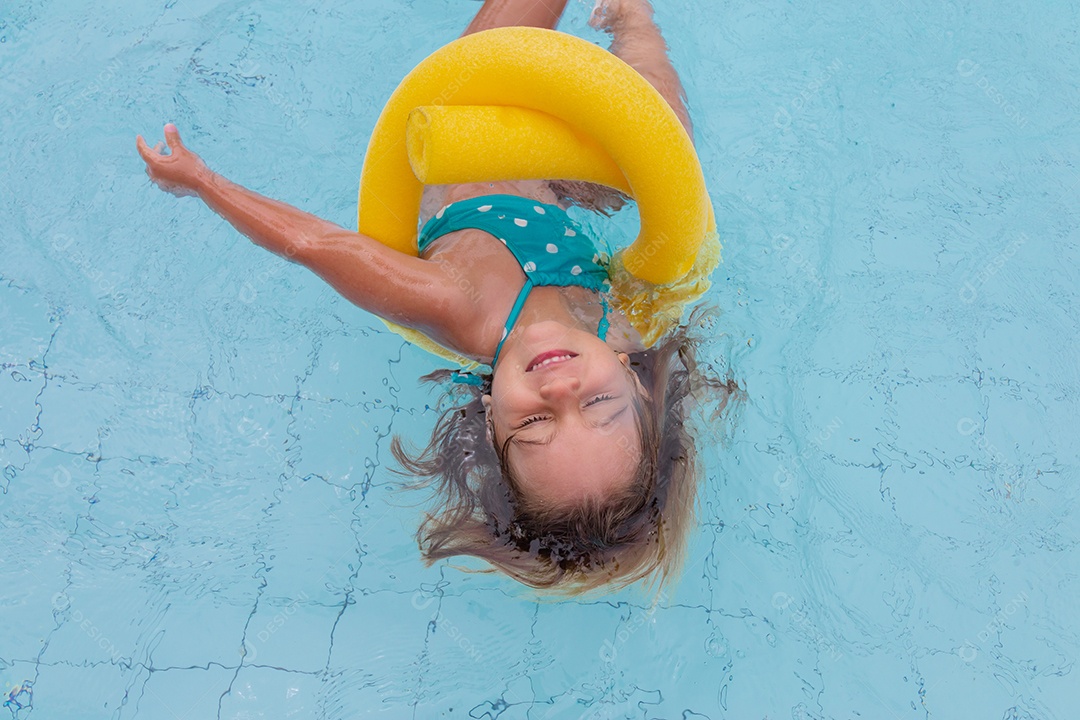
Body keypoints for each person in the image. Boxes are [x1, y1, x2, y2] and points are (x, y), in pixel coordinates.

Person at [137, 0, 736, 594]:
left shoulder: (458, 305)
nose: (561, 389)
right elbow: (678, 232)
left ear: (488, 421)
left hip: (457, 142)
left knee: (483, 58)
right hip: (560, 178)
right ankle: (636, 19)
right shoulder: (625, 327)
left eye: (533, 420)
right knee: (665, 140)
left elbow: (312, 245)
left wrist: (202, 183)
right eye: (600, 404)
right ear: (635, 384)